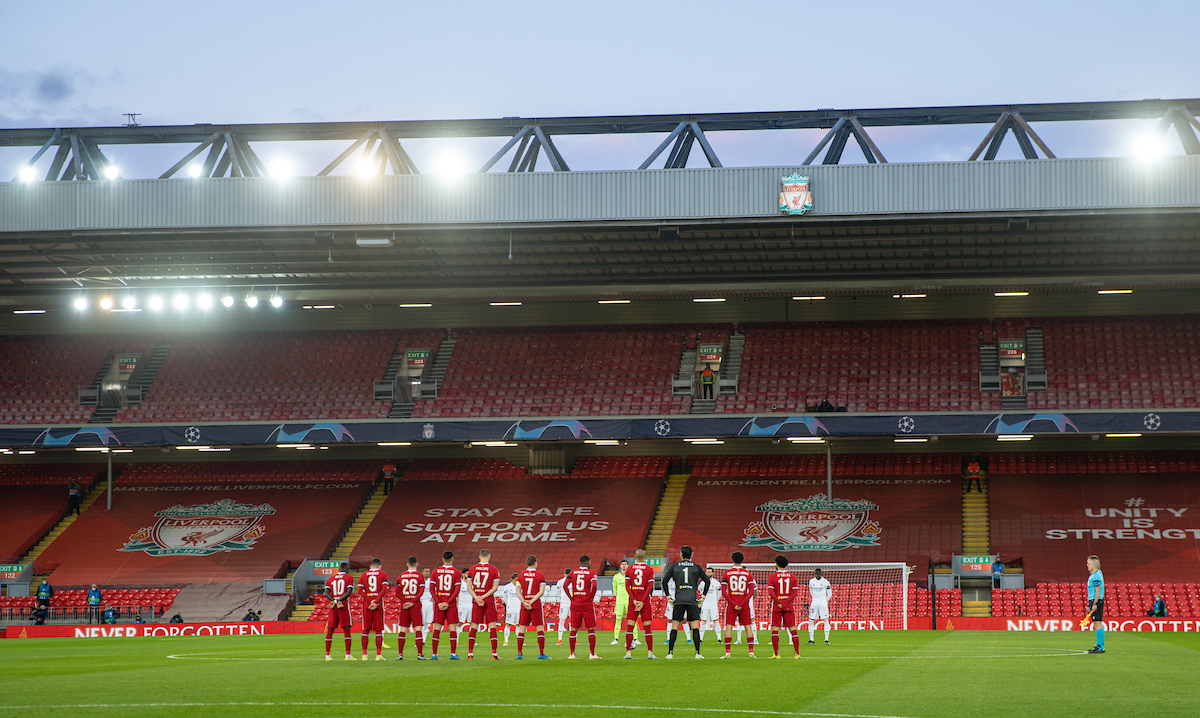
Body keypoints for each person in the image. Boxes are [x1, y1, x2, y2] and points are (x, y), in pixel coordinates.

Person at [661, 545, 710, 659]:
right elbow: (707, 581)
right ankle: (697, 653)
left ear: (681, 554)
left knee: (675, 627)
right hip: (692, 600)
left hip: (679, 599)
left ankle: (670, 653)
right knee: (695, 627)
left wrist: (668, 597)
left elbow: (664, 582)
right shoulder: (696, 567)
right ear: (691, 555)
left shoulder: (674, 567)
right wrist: (702, 596)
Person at [466, 549, 502, 660]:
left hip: (476, 601)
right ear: (489, 556)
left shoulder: (472, 569)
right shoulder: (494, 569)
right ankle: (494, 654)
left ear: (479, 556)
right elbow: (495, 588)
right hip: (489, 600)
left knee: (474, 626)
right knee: (492, 626)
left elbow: (469, 587)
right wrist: (484, 597)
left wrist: (477, 598)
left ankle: (470, 654)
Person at [721, 551, 757, 658]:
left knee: (728, 627)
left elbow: (724, 592)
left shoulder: (727, 573)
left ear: (732, 560)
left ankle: (727, 652)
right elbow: (751, 592)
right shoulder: (748, 574)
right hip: (744, 603)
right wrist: (742, 603)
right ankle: (751, 652)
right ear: (742, 560)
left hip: (732, 603)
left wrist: (733, 603)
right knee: (748, 627)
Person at [515, 555, 551, 660]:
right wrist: (531, 601)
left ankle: (520, 653)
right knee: (539, 628)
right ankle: (541, 653)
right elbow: (541, 591)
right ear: (535, 563)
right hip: (535, 604)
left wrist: (524, 601)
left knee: (522, 628)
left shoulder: (520, 576)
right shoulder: (540, 576)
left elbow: (518, 591)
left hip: (524, 604)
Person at [428, 551, 462, 660]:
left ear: (442, 559)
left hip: (439, 604)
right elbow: (457, 591)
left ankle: (434, 654)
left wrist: (439, 603)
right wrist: (447, 603)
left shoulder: (435, 572)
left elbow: (432, 590)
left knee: (437, 628)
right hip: (451, 604)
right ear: (452, 559)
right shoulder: (456, 573)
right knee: (453, 629)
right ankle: (452, 653)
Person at [565, 555, 601, 659]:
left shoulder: (572, 572)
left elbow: (565, 585)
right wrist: (591, 597)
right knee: (590, 629)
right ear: (588, 563)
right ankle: (592, 654)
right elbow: (594, 586)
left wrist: (571, 597)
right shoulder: (592, 573)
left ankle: (572, 654)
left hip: (575, 603)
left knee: (573, 629)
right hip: (586, 603)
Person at [623, 549, 656, 659]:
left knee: (630, 628)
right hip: (644, 601)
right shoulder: (649, 569)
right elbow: (649, 587)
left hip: (633, 601)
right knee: (647, 628)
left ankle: (628, 653)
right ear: (645, 557)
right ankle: (650, 653)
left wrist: (634, 600)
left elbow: (627, 586)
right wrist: (642, 601)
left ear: (635, 557)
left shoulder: (629, 569)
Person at [768, 555, 801, 659]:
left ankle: (777, 654)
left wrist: (779, 603)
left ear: (776, 564)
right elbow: (795, 593)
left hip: (777, 606)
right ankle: (797, 653)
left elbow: (771, 592)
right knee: (793, 629)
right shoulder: (792, 577)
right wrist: (786, 603)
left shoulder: (772, 577)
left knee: (775, 629)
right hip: (788, 606)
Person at [395, 556, 427, 660]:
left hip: (404, 606)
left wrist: (406, 601)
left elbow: (397, 592)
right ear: (417, 564)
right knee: (418, 628)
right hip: (415, 605)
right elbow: (421, 592)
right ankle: (420, 654)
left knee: (403, 629)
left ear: (407, 564)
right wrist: (412, 602)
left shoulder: (401, 576)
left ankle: (400, 654)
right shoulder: (420, 576)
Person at [323, 561, 356, 661]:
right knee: (346, 629)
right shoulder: (349, 578)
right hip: (343, 605)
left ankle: (327, 656)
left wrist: (333, 600)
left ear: (338, 569)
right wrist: (339, 600)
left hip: (333, 606)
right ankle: (348, 655)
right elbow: (349, 592)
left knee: (330, 630)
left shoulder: (330, 578)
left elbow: (326, 593)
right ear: (347, 569)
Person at [358, 558, 390, 661]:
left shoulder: (363, 575)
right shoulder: (383, 574)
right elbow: (383, 590)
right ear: (379, 566)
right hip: (378, 605)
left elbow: (359, 591)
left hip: (367, 605)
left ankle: (364, 655)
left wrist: (369, 601)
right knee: (378, 630)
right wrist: (375, 601)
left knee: (365, 630)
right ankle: (378, 655)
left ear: (370, 566)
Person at [1085, 555, 1106, 654]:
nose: (1087, 566)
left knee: (1097, 623)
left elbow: (1097, 591)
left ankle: (1100, 646)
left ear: (1094, 565)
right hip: (1094, 600)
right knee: (1097, 623)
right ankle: (1100, 645)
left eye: (1089, 564)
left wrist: (1094, 603)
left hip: (1096, 600)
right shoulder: (1096, 574)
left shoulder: (1096, 575)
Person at [807, 567, 832, 645]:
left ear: (821, 574)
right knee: (811, 620)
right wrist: (815, 599)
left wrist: (824, 601)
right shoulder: (811, 581)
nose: (816, 575)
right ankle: (811, 640)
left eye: (818, 574)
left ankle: (826, 640)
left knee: (825, 620)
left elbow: (830, 594)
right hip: (814, 603)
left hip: (823, 603)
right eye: (815, 574)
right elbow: (811, 591)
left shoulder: (825, 582)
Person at [700, 566, 722, 643]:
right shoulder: (702, 583)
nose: (708, 573)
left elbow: (719, 593)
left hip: (713, 605)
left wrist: (715, 600)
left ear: (712, 573)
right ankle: (700, 639)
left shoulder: (716, 583)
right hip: (705, 605)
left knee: (716, 621)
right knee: (703, 621)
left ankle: (719, 638)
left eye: (710, 572)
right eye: (707, 572)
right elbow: (701, 593)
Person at [610, 560, 630, 645]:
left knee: (632, 620)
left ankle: (635, 638)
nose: (624, 566)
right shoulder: (616, 577)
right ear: (620, 566)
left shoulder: (630, 576)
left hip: (629, 600)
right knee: (618, 620)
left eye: (625, 564)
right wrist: (619, 595)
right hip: (619, 601)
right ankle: (616, 639)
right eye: (623, 564)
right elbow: (614, 589)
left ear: (628, 566)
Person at [501, 573, 521, 646]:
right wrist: (507, 605)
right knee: (508, 624)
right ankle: (506, 640)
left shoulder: (520, 586)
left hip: (519, 608)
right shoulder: (507, 587)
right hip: (511, 609)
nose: (517, 581)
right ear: (512, 579)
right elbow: (504, 596)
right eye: (516, 580)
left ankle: (519, 640)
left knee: (518, 624)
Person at [555, 568, 571, 645]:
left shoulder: (574, 582)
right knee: (561, 621)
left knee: (573, 622)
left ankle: (574, 638)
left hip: (572, 604)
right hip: (564, 604)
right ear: (564, 574)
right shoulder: (560, 582)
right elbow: (558, 593)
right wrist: (562, 599)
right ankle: (559, 639)